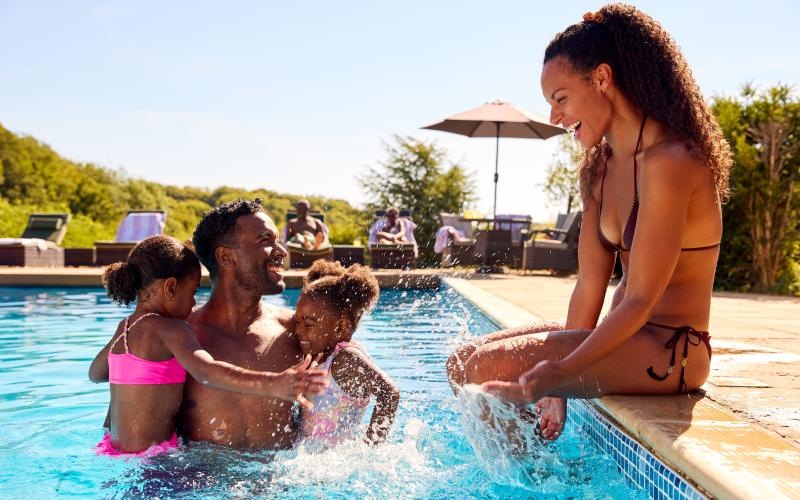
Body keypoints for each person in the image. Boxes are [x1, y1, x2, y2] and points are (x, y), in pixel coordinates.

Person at [446, 3, 732, 442]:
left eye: (560, 99)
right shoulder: (599, 170)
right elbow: (589, 286)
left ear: (602, 79)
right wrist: (559, 387)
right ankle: (528, 475)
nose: (554, 117)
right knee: (463, 361)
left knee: (486, 367)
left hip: (673, 350)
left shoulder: (671, 162)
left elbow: (638, 299)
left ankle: (528, 479)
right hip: (623, 339)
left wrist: (560, 372)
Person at [88, 235, 328, 455]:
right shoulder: (172, 329)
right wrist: (274, 383)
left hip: (112, 449)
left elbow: (96, 375)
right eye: (192, 291)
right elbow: (206, 372)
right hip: (155, 456)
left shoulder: (125, 328)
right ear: (170, 288)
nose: (193, 301)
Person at [178, 198, 317, 449]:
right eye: (265, 240)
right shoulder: (180, 337)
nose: (282, 251)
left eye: (277, 240)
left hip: (283, 484)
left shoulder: (295, 330)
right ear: (225, 257)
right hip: (200, 483)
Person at [295, 260, 399, 448]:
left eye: (308, 323)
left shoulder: (346, 358)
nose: (299, 330)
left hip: (334, 462)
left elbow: (389, 393)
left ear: (340, 327)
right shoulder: (317, 354)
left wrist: (371, 447)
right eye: (297, 321)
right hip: (307, 455)